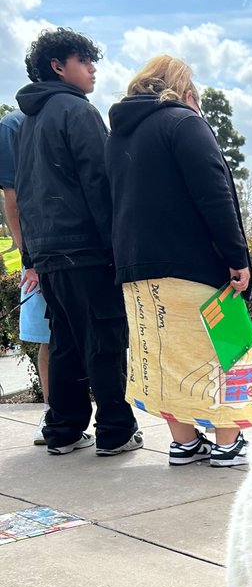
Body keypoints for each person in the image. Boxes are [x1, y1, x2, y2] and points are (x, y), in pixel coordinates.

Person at [105, 55, 252, 467]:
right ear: (187, 91)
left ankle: (184, 442)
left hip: (137, 272)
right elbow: (214, 194)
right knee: (230, 350)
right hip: (195, 265)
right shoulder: (184, 122)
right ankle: (228, 443)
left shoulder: (118, 137)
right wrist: (236, 256)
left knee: (167, 357)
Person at [15, 27, 141, 456]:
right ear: (58, 65)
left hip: (50, 252)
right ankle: (115, 431)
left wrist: (31, 254)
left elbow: (25, 190)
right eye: (84, 62)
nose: (92, 71)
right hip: (86, 249)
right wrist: (117, 247)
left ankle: (64, 430)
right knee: (105, 339)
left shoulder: (30, 119)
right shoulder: (76, 110)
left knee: (66, 342)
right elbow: (100, 183)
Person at [0, 108, 51, 441]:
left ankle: (56, 416)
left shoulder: (78, 114)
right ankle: (52, 414)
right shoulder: (14, 125)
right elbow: (12, 198)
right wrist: (27, 257)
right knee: (53, 339)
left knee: (58, 340)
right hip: (43, 253)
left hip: (57, 252)